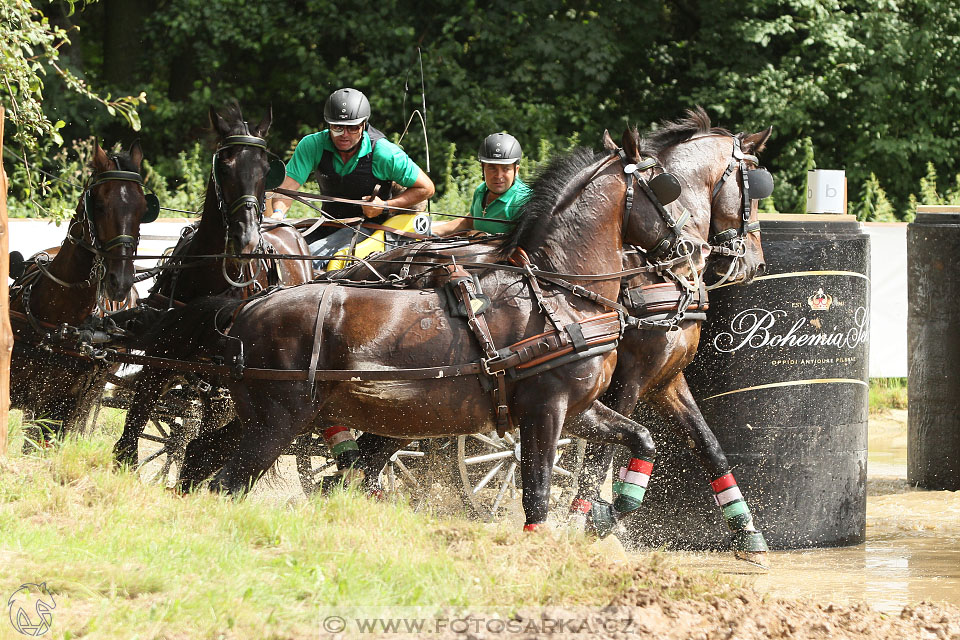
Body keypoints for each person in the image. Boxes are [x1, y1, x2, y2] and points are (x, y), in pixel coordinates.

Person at [267, 87, 435, 264]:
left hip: (369, 228)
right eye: (337, 128)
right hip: (328, 223)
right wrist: (278, 214)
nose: (344, 135)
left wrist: (385, 206)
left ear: (364, 124)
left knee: (307, 259)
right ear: (328, 124)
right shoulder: (313, 145)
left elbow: (427, 188)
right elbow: (286, 190)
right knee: (279, 250)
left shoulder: (385, 153)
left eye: (352, 128)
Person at [432, 132, 532, 236]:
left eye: (506, 169)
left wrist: (482, 237)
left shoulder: (523, 200)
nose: (498, 175)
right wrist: (432, 231)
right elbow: (468, 222)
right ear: (483, 168)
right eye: (492, 168)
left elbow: (524, 244)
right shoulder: (481, 190)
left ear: (516, 170)